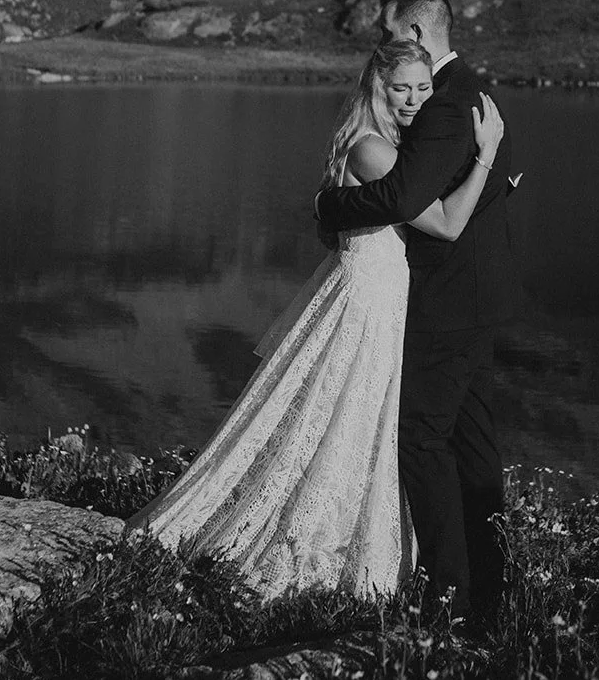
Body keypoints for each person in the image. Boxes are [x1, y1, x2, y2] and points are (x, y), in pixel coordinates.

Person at [126, 39, 505, 604]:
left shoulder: (388, 146)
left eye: (424, 88)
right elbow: (447, 224)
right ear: (377, 87)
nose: (413, 100)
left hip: (381, 297)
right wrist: (485, 156)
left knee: (356, 418)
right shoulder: (374, 151)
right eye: (401, 88)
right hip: (368, 300)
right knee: (341, 413)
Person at [316, 0, 521, 631]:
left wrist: (331, 205)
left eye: (386, 30)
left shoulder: (445, 104)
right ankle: (490, 594)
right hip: (476, 297)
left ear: (413, 33)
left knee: (422, 442)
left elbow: (406, 201)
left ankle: (449, 602)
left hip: (445, 302)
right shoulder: (473, 92)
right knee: (473, 447)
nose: (380, 42)